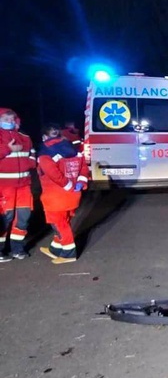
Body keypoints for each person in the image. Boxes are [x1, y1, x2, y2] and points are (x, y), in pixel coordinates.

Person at [37, 122, 89, 264]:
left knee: (59, 225)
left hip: (55, 196)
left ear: (44, 137)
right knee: (64, 221)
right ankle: (55, 249)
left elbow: (54, 175)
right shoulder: (74, 149)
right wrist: (80, 183)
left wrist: (68, 186)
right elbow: (84, 168)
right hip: (73, 195)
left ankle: (68, 254)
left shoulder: (45, 153)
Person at [0, 108, 36, 262]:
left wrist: (30, 163)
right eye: (5, 119)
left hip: (24, 185)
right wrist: (8, 148)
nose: (9, 122)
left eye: (11, 119)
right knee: (4, 218)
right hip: (4, 185)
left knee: (23, 217)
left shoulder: (24, 137)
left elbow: (32, 153)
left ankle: (17, 249)